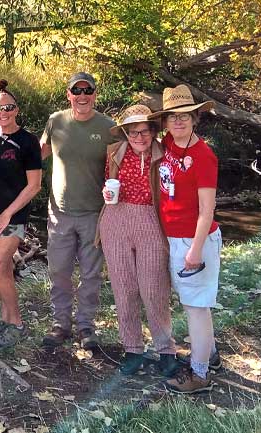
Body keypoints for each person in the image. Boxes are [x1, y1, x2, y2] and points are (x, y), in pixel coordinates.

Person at [149, 85, 222, 393]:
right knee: (192, 302)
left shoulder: (203, 155)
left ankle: (200, 373)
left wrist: (194, 250)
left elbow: (207, 210)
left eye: (184, 116)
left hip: (196, 240)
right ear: (165, 122)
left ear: (195, 119)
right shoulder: (166, 144)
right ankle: (211, 353)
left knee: (195, 307)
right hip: (174, 238)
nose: (178, 122)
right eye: (172, 117)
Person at [97, 105, 178, 376]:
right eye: (133, 132)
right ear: (125, 134)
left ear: (153, 131)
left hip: (151, 222)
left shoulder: (164, 154)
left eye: (144, 131)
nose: (139, 137)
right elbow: (108, 184)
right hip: (116, 220)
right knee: (124, 288)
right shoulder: (115, 152)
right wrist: (107, 194)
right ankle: (132, 348)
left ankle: (166, 350)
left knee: (154, 288)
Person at [40, 72, 115, 350]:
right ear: (68, 94)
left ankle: (86, 326)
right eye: (77, 90)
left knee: (90, 274)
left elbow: (118, 168)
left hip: (94, 214)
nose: (82, 96)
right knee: (58, 270)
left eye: (88, 90)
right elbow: (37, 156)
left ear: (95, 94)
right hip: (59, 212)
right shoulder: (55, 121)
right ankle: (61, 324)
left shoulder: (108, 127)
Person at [0, 79, 42, 348]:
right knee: (4, 270)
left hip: (12, 219)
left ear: (17, 109)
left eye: (8, 107)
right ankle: (5, 320)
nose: (2, 113)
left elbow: (34, 186)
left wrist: (7, 213)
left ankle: (16, 323)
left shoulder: (28, 141)